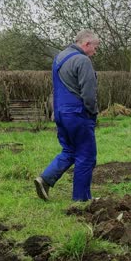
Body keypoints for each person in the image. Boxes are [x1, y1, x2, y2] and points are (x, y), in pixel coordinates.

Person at [34, 29, 99, 202]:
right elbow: (89, 93)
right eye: (95, 47)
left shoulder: (59, 58)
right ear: (86, 44)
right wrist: (92, 112)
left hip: (60, 114)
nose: (95, 52)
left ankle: (45, 179)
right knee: (86, 155)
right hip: (78, 114)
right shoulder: (82, 60)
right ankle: (81, 199)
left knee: (70, 150)